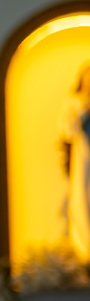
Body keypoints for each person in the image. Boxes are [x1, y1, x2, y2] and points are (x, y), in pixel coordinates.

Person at [59, 62, 90, 257]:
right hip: (84, 161)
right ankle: (85, 252)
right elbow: (67, 130)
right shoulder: (74, 102)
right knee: (82, 201)